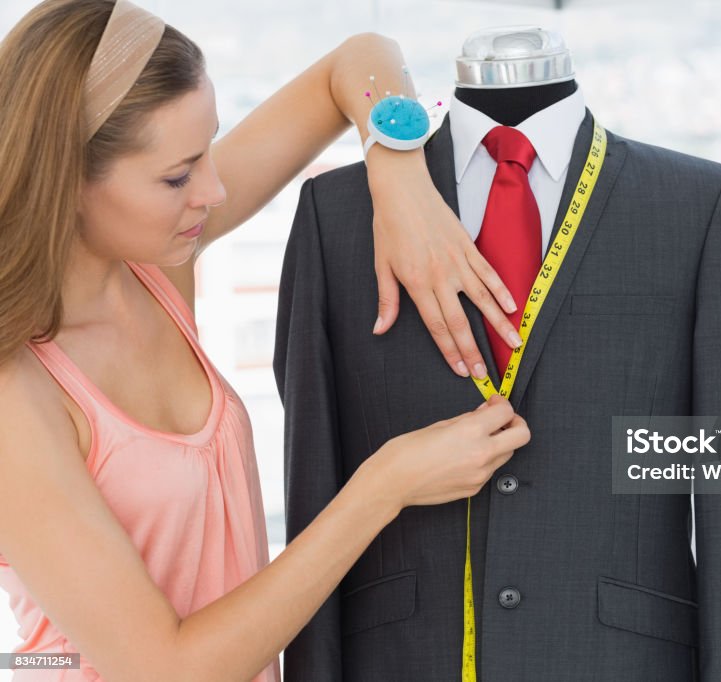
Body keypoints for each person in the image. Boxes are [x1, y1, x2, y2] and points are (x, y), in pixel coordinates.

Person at [0, 1, 530, 680]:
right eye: (177, 175)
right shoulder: (19, 394)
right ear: (66, 178)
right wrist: (384, 486)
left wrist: (399, 174)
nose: (214, 190)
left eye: (209, 150)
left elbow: (359, 59)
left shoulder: (154, 272)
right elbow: (170, 667)